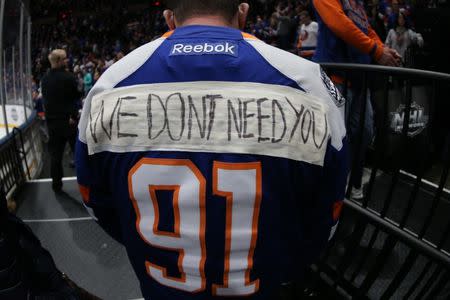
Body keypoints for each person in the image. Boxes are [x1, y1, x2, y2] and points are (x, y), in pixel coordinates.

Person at [76, 1, 348, 299]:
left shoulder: (110, 84)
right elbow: (328, 210)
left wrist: (142, 243)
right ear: (242, 13)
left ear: (169, 19)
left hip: (163, 285)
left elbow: (95, 199)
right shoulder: (308, 82)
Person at [313, 0, 401, 199]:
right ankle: (327, 192)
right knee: (335, 138)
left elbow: (367, 29)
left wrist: (384, 49)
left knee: (364, 133)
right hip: (335, 78)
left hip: (359, 80)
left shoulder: (357, 3)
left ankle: (351, 182)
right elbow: (339, 23)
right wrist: (377, 51)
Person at [41, 49, 80, 192]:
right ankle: (86, 183)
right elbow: (75, 97)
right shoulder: (69, 77)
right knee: (78, 153)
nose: (67, 61)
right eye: (64, 59)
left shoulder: (44, 79)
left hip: (52, 123)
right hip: (68, 121)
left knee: (55, 156)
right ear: (58, 61)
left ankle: (56, 185)